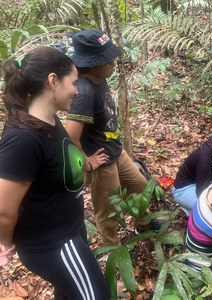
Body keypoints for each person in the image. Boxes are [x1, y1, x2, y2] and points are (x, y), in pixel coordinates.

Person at [0, 46, 109, 299]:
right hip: (52, 243)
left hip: (69, 231)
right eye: (73, 82)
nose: (77, 89)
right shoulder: (23, 138)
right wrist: (5, 243)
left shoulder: (50, 119)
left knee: (69, 292)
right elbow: (4, 208)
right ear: (52, 81)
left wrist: (88, 164)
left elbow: (62, 161)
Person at [65, 29, 147, 246]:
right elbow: (70, 134)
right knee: (107, 213)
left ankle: (142, 225)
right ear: (92, 63)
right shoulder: (84, 92)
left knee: (140, 186)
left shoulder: (99, 79)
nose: (112, 62)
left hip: (115, 150)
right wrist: (87, 163)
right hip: (101, 161)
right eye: (106, 59)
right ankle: (114, 251)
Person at [173, 119, 212, 213]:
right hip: (184, 189)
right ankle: (189, 205)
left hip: (206, 178)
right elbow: (201, 192)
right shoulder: (205, 159)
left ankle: (192, 206)